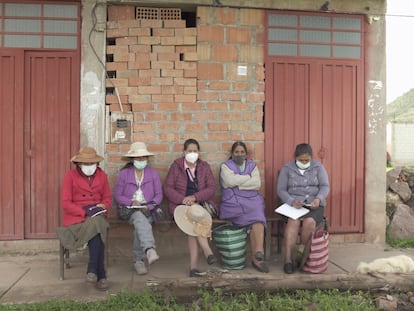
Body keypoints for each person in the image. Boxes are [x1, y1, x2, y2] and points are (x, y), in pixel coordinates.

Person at [57, 147, 111, 290]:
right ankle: (100, 274)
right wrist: (84, 212)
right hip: (77, 218)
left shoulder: (102, 176)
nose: (89, 167)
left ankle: (92, 270)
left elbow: (107, 198)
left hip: (97, 214)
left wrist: (103, 205)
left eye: (91, 164)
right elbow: (65, 203)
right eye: (85, 164)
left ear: (97, 164)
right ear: (79, 164)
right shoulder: (70, 176)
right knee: (97, 227)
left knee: (97, 222)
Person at [163, 138, 218, 277]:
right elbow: (168, 188)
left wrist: (195, 198)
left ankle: (193, 267)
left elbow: (211, 188)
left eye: (195, 151)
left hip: (200, 204)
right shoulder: (176, 166)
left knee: (193, 222)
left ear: (198, 153)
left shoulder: (204, 166)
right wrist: (182, 199)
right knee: (191, 221)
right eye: (189, 151)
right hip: (180, 205)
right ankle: (207, 251)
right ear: (184, 152)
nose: (192, 153)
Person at [277, 143, 330, 274]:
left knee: (309, 223)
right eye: (301, 160)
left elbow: (325, 186)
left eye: (307, 160)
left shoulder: (318, 167)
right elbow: (281, 190)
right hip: (294, 205)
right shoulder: (287, 169)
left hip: (314, 205)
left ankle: (301, 257)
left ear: (311, 158)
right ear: (295, 157)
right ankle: (288, 260)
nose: (304, 162)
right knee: (293, 222)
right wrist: (291, 201)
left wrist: (318, 198)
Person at [219, 141, 269, 273]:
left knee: (257, 219)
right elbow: (229, 182)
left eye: (242, 152)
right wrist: (247, 179)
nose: (239, 155)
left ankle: (258, 255)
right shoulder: (225, 166)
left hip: (252, 201)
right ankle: (258, 258)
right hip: (233, 202)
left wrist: (238, 184)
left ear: (246, 154)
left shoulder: (252, 165)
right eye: (236, 152)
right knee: (254, 217)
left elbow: (257, 184)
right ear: (232, 154)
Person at [113, 142, 163, 275]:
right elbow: (118, 195)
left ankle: (138, 261)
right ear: (132, 159)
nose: (141, 160)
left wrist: (149, 205)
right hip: (129, 210)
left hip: (148, 209)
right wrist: (131, 201)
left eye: (143, 158)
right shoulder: (124, 174)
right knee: (139, 218)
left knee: (140, 225)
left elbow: (159, 195)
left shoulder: (153, 174)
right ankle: (149, 249)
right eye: (138, 158)